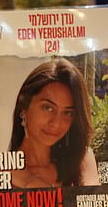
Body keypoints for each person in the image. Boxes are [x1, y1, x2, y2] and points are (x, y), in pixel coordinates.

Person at [9, 58, 99, 188]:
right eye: (48, 108)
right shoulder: (1, 173)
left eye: (68, 113)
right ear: (24, 107)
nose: (56, 124)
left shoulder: (82, 160)